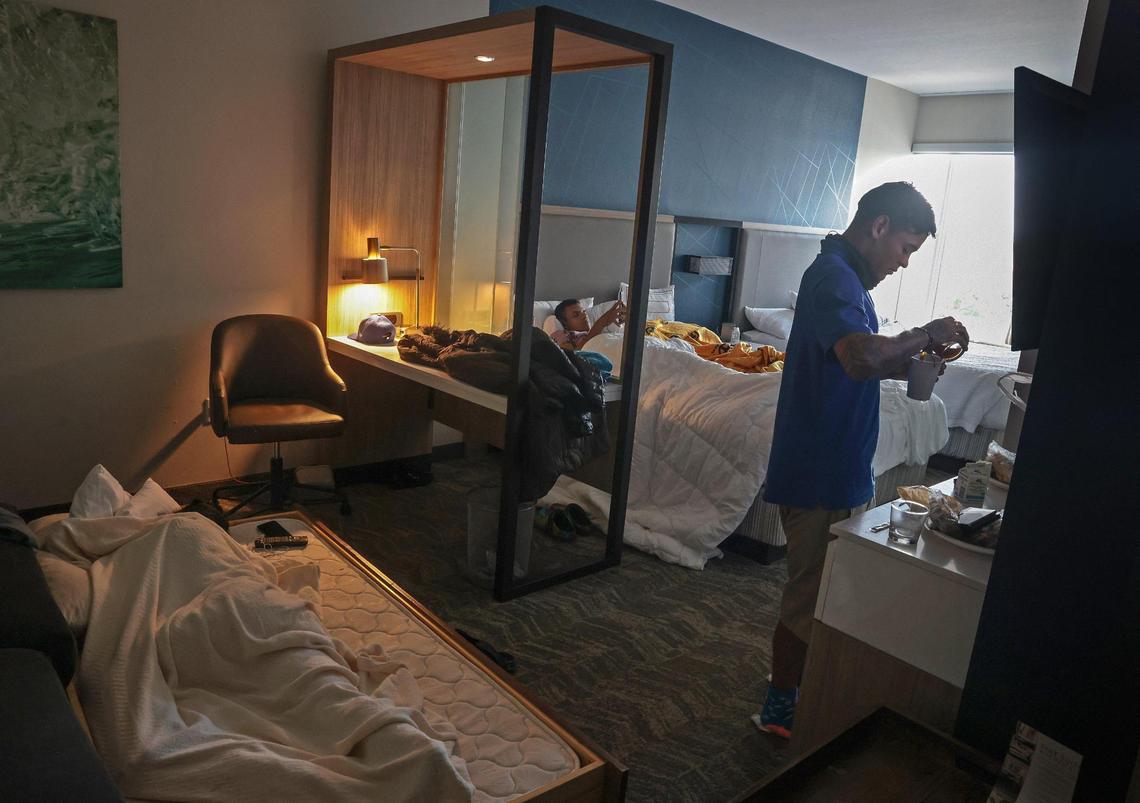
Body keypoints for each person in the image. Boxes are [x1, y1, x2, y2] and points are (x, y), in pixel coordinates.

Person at [753, 181, 970, 739]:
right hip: (820, 468)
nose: (903, 264)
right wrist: (923, 333)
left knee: (827, 591)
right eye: (906, 249)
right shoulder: (833, 278)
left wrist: (914, 364)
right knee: (809, 597)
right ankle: (780, 707)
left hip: (839, 462)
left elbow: (853, 363)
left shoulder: (845, 279)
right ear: (879, 226)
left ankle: (803, 689)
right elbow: (859, 355)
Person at [550, 298, 626, 350]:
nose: (584, 315)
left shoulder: (600, 332)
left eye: (584, 312)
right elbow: (576, 353)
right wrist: (602, 322)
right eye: (576, 315)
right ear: (564, 323)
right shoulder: (562, 335)